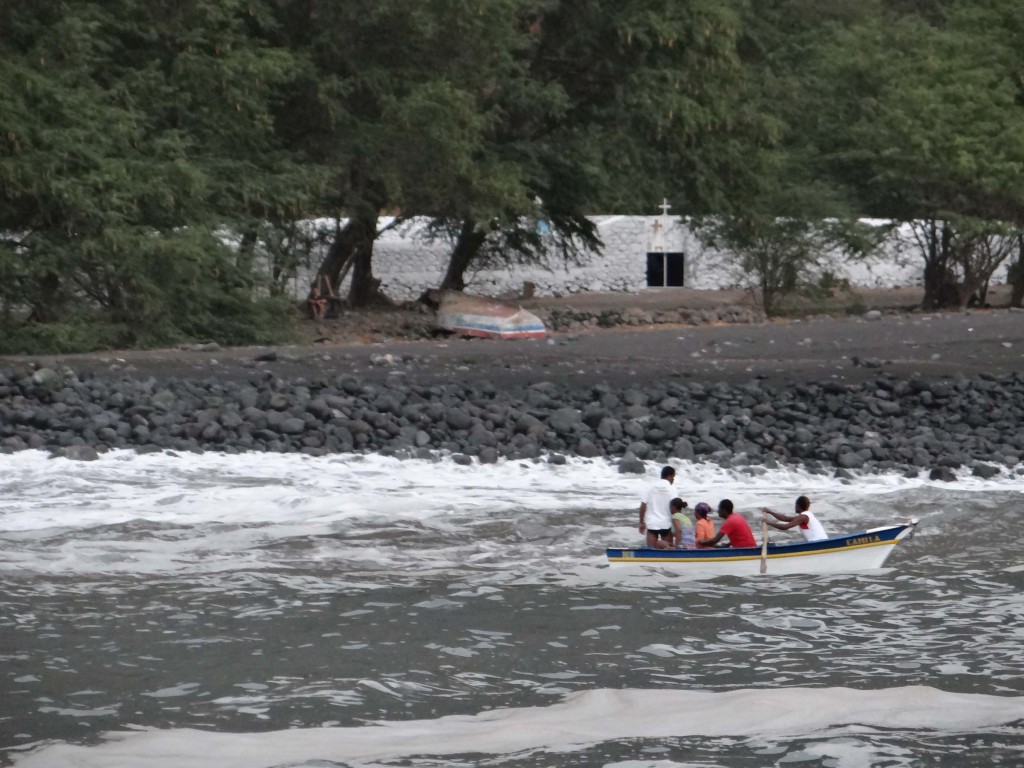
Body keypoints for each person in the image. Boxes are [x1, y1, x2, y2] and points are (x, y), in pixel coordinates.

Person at [639, 466, 676, 549]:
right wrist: (677, 525)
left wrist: (641, 522)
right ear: (669, 476)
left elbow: (643, 505)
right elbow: (674, 507)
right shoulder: (672, 489)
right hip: (666, 524)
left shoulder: (651, 487)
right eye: (673, 477)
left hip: (652, 524)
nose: (673, 479)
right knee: (669, 554)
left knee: (651, 553)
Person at [762, 495, 828, 542]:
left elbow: (785, 527)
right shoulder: (806, 515)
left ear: (798, 506)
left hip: (818, 543)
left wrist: (769, 523)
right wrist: (770, 512)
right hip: (820, 542)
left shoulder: (803, 517)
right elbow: (785, 518)